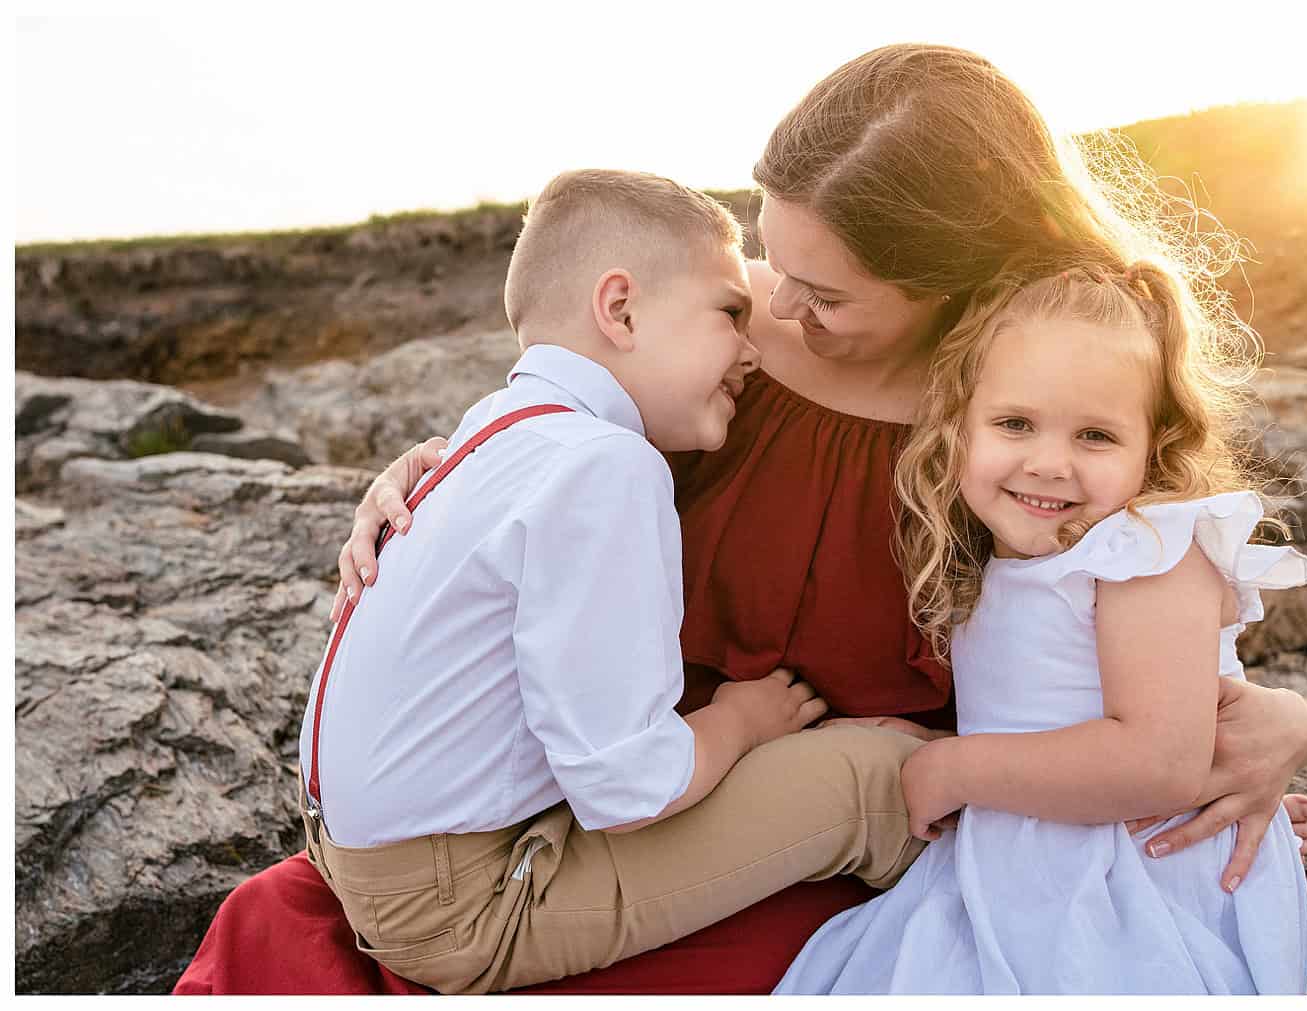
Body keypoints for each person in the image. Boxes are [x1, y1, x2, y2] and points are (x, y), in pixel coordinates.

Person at [175, 45, 1307, 996]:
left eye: (826, 294)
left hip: (843, 813)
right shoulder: (709, 342)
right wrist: (413, 480)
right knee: (297, 924)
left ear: (954, 281)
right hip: (612, 773)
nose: (779, 305)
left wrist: (1277, 714)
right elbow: (545, 445)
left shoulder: (1030, 417)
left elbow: (1124, 609)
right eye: (775, 260)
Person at [296, 168, 931, 994]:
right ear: (621, 309)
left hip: (363, 855)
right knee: (873, 782)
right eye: (730, 313)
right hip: (464, 903)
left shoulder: (496, 427)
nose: (751, 348)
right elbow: (630, 784)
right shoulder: (607, 464)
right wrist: (741, 721)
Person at [775, 262, 1307, 994]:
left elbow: (1160, 763)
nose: (1050, 463)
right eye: (1014, 423)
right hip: (1030, 856)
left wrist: (957, 768)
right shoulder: (1008, 556)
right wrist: (935, 744)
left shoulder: (1145, 551)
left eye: (1095, 435)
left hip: (1133, 883)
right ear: (959, 422)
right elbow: (1045, 717)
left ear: (1152, 446)